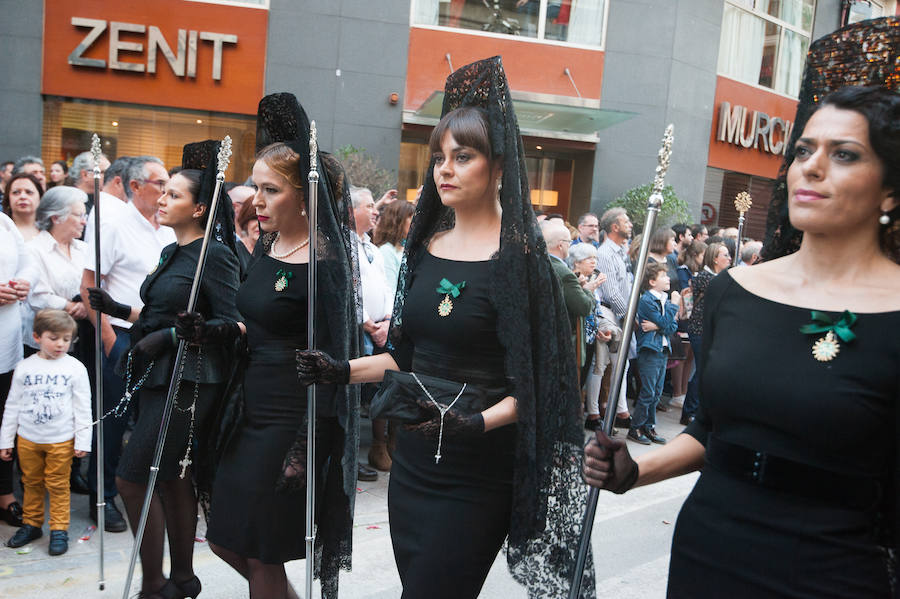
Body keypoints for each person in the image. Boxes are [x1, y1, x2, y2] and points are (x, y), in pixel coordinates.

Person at [585, 83, 900, 597]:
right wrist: (632, 468)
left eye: (844, 154)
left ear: (891, 188)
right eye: (804, 150)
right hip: (710, 548)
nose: (812, 167)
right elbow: (711, 430)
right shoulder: (736, 292)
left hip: (839, 566)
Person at [297, 57, 595, 598]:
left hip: (478, 475)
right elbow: (404, 358)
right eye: (439, 157)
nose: (445, 169)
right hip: (412, 468)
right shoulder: (424, 248)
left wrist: (475, 423)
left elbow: (545, 387)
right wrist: (341, 371)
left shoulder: (524, 262)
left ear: (498, 166)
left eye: (464, 156)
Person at [176, 93, 360, 599]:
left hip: (291, 420)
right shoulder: (269, 244)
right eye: (254, 187)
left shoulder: (327, 262)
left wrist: (306, 444)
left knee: (260, 550)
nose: (255, 199)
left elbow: (334, 358)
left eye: (270, 189)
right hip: (247, 411)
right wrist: (213, 331)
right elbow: (252, 326)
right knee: (225, 540)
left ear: (304, 196)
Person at [88, 142, 241, 599]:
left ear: (199, 208)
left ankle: (153, 586)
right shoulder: (170, 252)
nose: (161, 200)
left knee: (131, 477)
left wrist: (177, 336)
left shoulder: (214, 256)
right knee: (172, 474)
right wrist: (121, 311)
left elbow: (236, 323)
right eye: (163, 193)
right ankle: (183, 579)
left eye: (173, 195)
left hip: (191, 380)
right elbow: (161, 317)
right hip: (159, 376)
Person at [80, 155, 174, 534]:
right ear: (135, 186)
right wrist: (106, 338)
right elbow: (90, 283)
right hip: (118, 333)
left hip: (157, 335)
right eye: (160, 184)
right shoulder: (114, 225)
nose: (167, 193)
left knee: (150, 420)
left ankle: (144, 491)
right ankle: (101, 499)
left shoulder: (167, 230)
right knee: (112, 420)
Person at [0, 309, 90, 556]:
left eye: (66, 338)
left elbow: (83, 407)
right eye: (54, 338)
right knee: (31, 482)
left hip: (61, 440)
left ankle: (59, 528)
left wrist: (83, 439)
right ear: (37, 336)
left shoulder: (75, 368)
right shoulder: (24, 367)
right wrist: (5, 440)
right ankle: (32, 524)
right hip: (28, 439)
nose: (61, 344)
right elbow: (13, 405)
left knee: (59, 485)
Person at [351, 185, 392, 478]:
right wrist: (366, 322)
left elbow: (385, 288)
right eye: (369, 206)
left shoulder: (372, 248)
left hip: (380, 331)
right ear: (351, 211)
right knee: (352, 398)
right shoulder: (344, 246)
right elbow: (348, 288)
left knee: (374, 396)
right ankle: (349, 458)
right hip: (359, 332)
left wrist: (387, 321)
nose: (376, 211)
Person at [0, 211, 37, 528]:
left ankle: (4, 494)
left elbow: (28, 263)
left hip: (5, 341)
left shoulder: (4, 222)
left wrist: (25, 282)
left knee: (3, 422)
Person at [629, 262, 680, 445]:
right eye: (663, 276)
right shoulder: (648, 300)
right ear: (651, 281)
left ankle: (649, 426)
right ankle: (636, 427)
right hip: (650, 350)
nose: (668, 278)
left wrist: (657, 325)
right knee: (648, 391)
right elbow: (667, 322)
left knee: (657, 393)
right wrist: (673, 307)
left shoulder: (665, 299)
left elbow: (673, 326)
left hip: (662, 349)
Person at [373, 198, 415, 297]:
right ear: (398, 221)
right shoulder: (386, 251)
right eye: (411, 217)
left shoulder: (408, 248)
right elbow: (390, 289)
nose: (415, 222)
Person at [4, 172, 43, 241]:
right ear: (8, 198)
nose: (22, 196)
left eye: (29, 192)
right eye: (16, 192)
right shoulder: (3, 229)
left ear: (40, 197)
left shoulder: (51, 231)